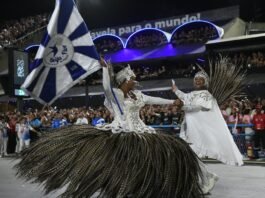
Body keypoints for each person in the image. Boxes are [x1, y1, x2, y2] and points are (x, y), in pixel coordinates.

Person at [15, 59, 204, 198]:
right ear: (125, 80)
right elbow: (106, 86)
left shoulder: (138, 95)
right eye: (132, 79)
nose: (135, 81)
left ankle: (143, 185)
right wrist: (105, 70)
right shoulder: (115, 94)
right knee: (120, 161)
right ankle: (123, 185)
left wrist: (173, 101)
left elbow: (155, 100)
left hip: (141, 131)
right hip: (119, 131)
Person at [172, 70, 244, 193]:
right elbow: (184, 96)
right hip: (189, 128)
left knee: (192, 155)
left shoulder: (207, 95)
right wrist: (175, 90)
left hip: (198, 131)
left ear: (205, 82)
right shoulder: (192, 94)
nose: (198, 81)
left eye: (200, 79)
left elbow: (196, 107)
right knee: (190, 155)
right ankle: (205, 178)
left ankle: (206, 178)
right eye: (196, 79)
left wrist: (182, 107)